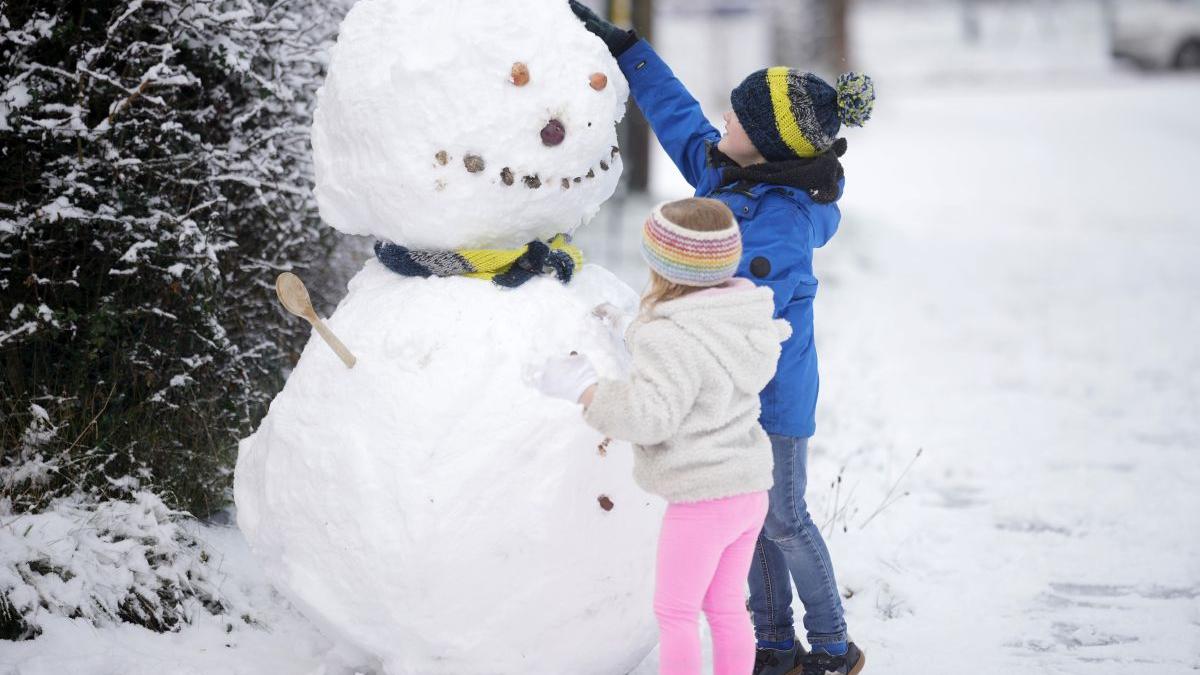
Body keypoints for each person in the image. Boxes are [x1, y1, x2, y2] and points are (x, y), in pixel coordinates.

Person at [567, 3, 875, 674]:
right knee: (749, 523)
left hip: (774, 401)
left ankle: (830, 647)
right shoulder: (728, 174)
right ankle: (771, 644)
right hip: (732, 400)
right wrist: (629, 50)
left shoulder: (780, 225)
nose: (723, 120)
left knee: (783, 520)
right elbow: (678, 117)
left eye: (737, 116)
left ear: (762, 143)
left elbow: (733, 309)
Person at [532, 197, 791, 675]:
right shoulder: (740, 317)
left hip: (701, 500)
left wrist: (587, 390)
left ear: (663, 265)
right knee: (727, 608)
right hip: (748, 491)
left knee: (676, 615)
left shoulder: (669, 337)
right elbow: (697, 364)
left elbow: (652, 416)